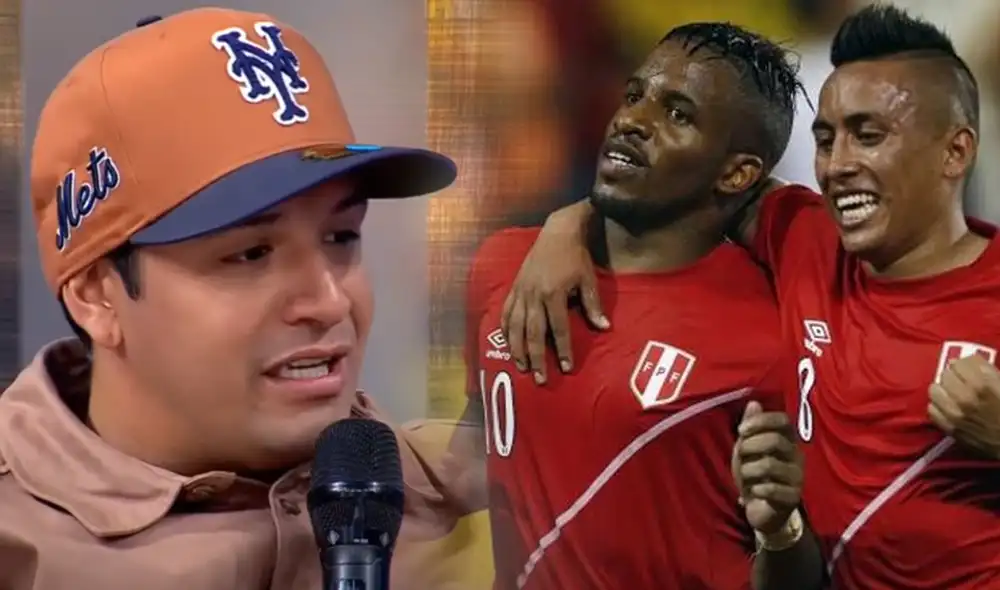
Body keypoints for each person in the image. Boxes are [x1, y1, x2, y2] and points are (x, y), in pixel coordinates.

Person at [497, 5, 1000, 590]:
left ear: (955, 152)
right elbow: (678, 181)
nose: (837, 167)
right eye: (825, 139)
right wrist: (568, 225)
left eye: (869, 137)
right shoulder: (804, 238)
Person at [0, 8, 481, 590]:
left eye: (342, 237)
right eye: (251, 254)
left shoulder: (482, 500)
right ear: (95, 296)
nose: (329, 302)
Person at [451, 22, 803, 589]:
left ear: (738, 173)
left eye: (678, 115)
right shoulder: (501, 265)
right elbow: (473, 454)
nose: (633, 121)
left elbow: (807, 562)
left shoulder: (768, 336)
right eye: (635, 95)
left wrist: (782, 532)